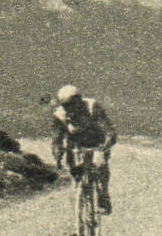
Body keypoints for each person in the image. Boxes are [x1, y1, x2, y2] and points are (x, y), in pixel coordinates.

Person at [50, 84, 118, 215]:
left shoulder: (92, 107)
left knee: (99, 165)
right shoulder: (59, 116)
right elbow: (56, 140)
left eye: (74, 103)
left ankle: (103, 196)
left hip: (97, 142)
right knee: (75, 176)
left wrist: (105, 146)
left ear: (80, 100)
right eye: (67, 105)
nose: (72, 108)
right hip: (75, 145)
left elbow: (108, 130)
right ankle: (78, 213)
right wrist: (58, 157)